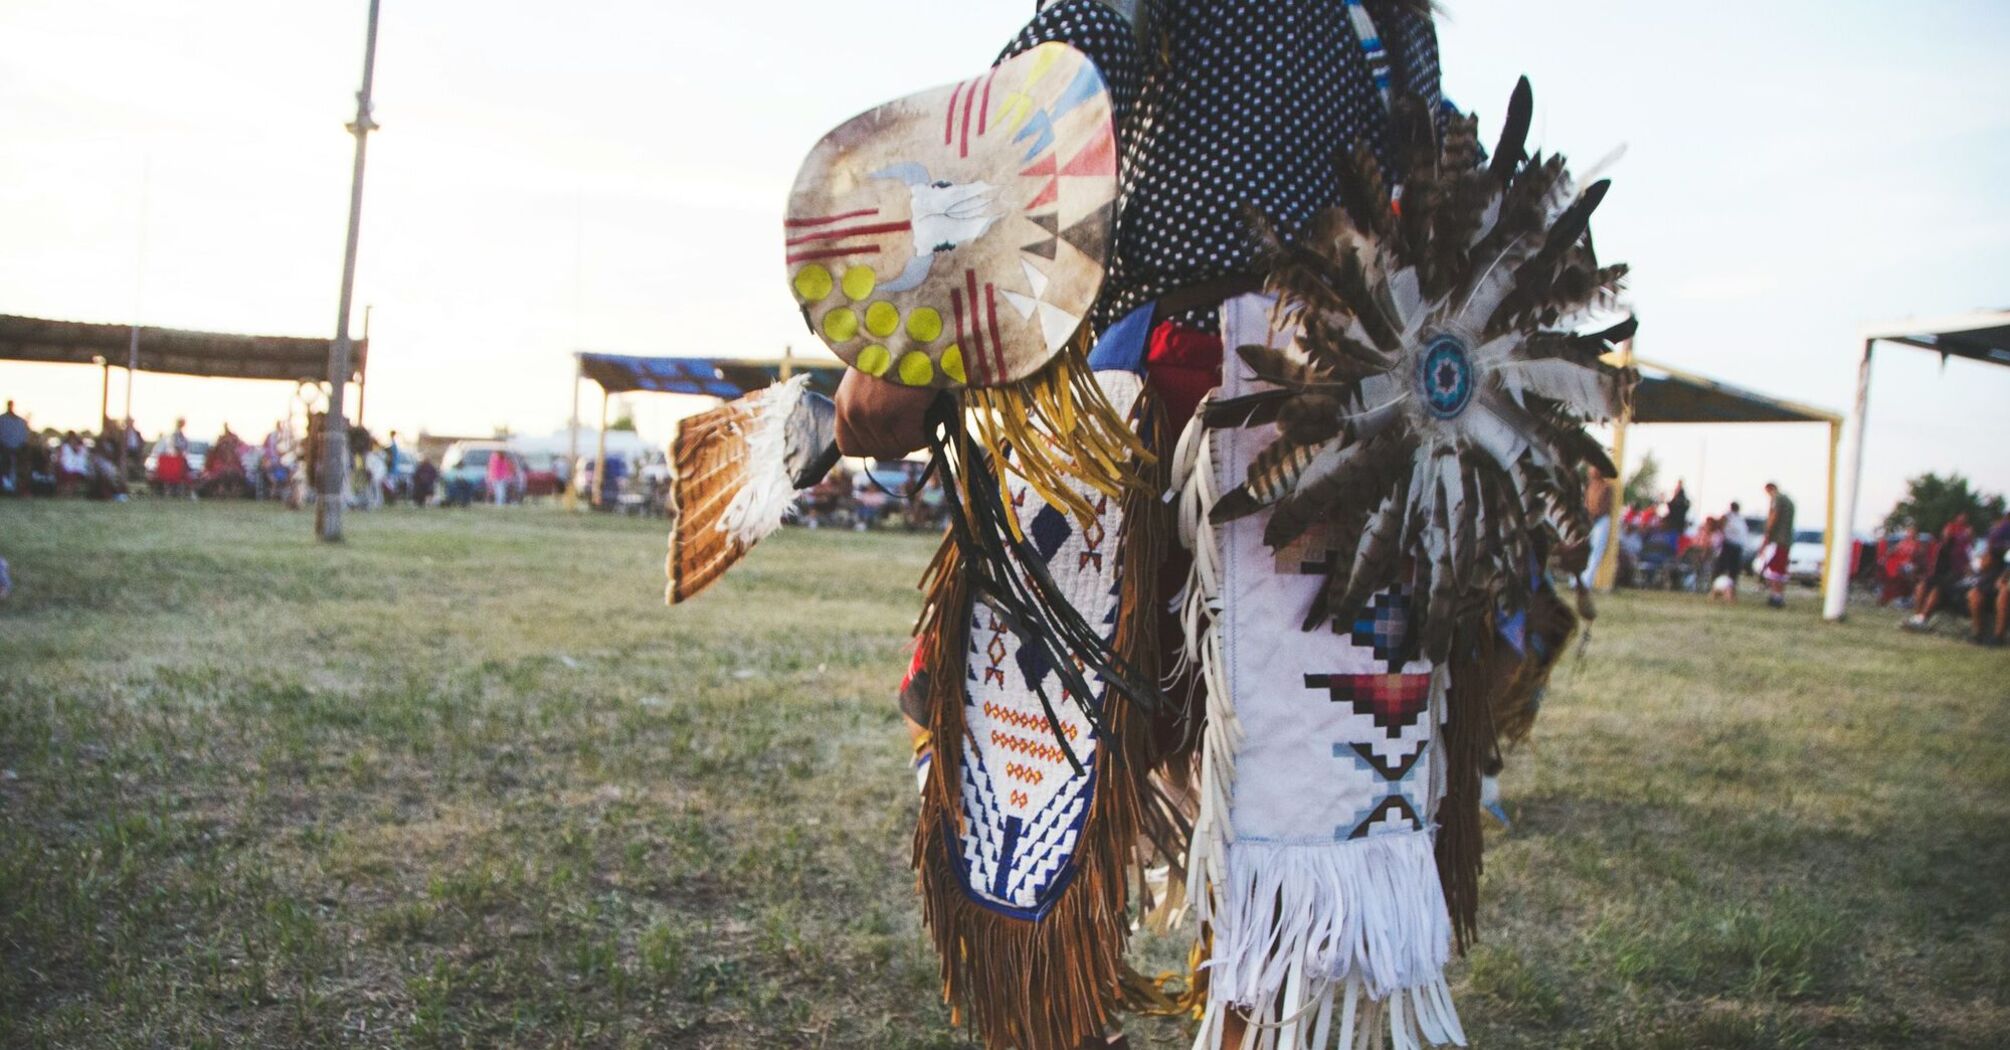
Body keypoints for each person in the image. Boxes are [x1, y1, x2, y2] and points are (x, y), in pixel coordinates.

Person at [1904, 512, 1972, 631]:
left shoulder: (1962, 547)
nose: (1947, 533)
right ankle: (1917, 616)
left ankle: (1923, 619)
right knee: (1923, 585)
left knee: (1938, 588)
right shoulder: (1941, 548)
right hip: (1940, 575)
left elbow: (1964, 566)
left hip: (1954, 577)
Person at [1966, 510, 2010, 646]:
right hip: (1998, 571)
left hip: (2005, 574)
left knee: (2004, 591)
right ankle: (1978, 633)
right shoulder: (1999, 533)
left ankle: (1999, 636)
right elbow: (1988, 559)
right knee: (1974, 594)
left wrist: (2004, 577)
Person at [1760, 482, 1796, 608]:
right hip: (1786, 540)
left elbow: (1773, 516)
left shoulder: (1777, 499)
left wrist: (1767, 533)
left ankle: (1775, 596)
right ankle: (1779, 596)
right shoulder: (1789, 501)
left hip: (1777, 540)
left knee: (1774, 570)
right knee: (1781, 570)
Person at [1582, 465, 1615, 589]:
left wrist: (1593, 516)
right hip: (1590, 521)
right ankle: (1577, 581)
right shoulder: (1590, 486)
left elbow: (1605, 506)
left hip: (1601, 521)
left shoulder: (1606, 487)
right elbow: (1586, 503)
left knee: (1596, 552)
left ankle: (1587, 582)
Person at [1717, 500, 1750, 600]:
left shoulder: (1738, 518)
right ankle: (1721, 588)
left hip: (1735, 545)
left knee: (1731, 569)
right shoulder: (1730, 517)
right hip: (1730, 544)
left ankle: (1729, 590)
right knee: (1725, 568)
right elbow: (1721, 526)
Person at [154, 418, 192, 499]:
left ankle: (177, 492)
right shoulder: (174, 435)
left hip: (178, 459)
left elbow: (184, 447)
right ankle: (172, 492)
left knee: (179, 476)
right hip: (173, 460)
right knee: (174, 476)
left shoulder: (181, 436)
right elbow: (176, 446)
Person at [0, 400, 30, 494]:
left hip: (18, 450)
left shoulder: (19, 421)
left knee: (18, 470)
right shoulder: (2, 419)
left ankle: (16, 488)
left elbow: (23, 436)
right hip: (4, 449)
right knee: (5, 469)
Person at [54, 431, 92, 496]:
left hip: (79, 470)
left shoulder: (82, 449)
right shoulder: (64, 447)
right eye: (71, 440)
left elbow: (86, 460)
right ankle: (62, 493)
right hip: (66, 469)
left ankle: (71, 493)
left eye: (74, 440)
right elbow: (59, 459)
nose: (73, 442)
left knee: (75, 476)